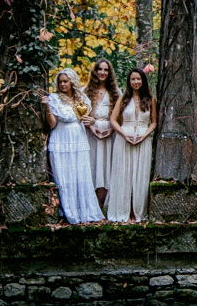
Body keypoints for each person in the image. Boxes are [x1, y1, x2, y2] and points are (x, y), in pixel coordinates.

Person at [41, 69, 105, 225]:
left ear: (72, 82)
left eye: (66, 81)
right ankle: (69, 213)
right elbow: (53, 124)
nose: (63, 84)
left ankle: (86, 211)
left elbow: (86, 116)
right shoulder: (54, 98)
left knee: (81, 175)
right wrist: (47, 107)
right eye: (60, 82)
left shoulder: (81, 98)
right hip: (61, 139)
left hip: (79, 138)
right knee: (64, 178)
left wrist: (92, 122)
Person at [108, 68, 157, 223]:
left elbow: (154, 122)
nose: (136, 82)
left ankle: (138, 212)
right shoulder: (123, 98)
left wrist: (144, 135)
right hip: (124, 138)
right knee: (124, 174)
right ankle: (124, 211)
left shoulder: (150, 99)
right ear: (129, 82)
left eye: (138, 79)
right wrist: (123, 134)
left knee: (140, 175)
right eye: (133, 79)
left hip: (143, 139)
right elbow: (113, 120)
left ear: (143, 81)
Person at [84, 58, 120, 209]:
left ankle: (102, 204)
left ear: (109, 73)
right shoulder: (85, 91)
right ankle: (90, 205)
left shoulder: (115, 92)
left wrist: (111, 129)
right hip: (91, 132)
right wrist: (91, 126)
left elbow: (121, 115)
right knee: (92, 164)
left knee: (105, 167)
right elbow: (79, 112)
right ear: (95, 71)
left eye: (106, 70)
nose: (102, 72)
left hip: (108, 133)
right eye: (100, 69)